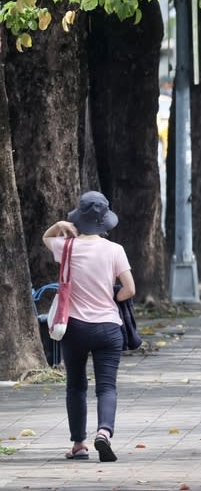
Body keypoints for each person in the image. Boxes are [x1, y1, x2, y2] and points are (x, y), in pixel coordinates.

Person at [42, 191, 136, 462]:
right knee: (107, 386)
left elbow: (46, 238)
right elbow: (129, 289)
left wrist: (59, 226)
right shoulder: (115, 250)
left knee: (76, 385)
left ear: (79, 218)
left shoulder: (65, 247)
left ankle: (79, 445)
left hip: (75, 328)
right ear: (105, 220)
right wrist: (112, 297)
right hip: (108, 328)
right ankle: (104, 433)